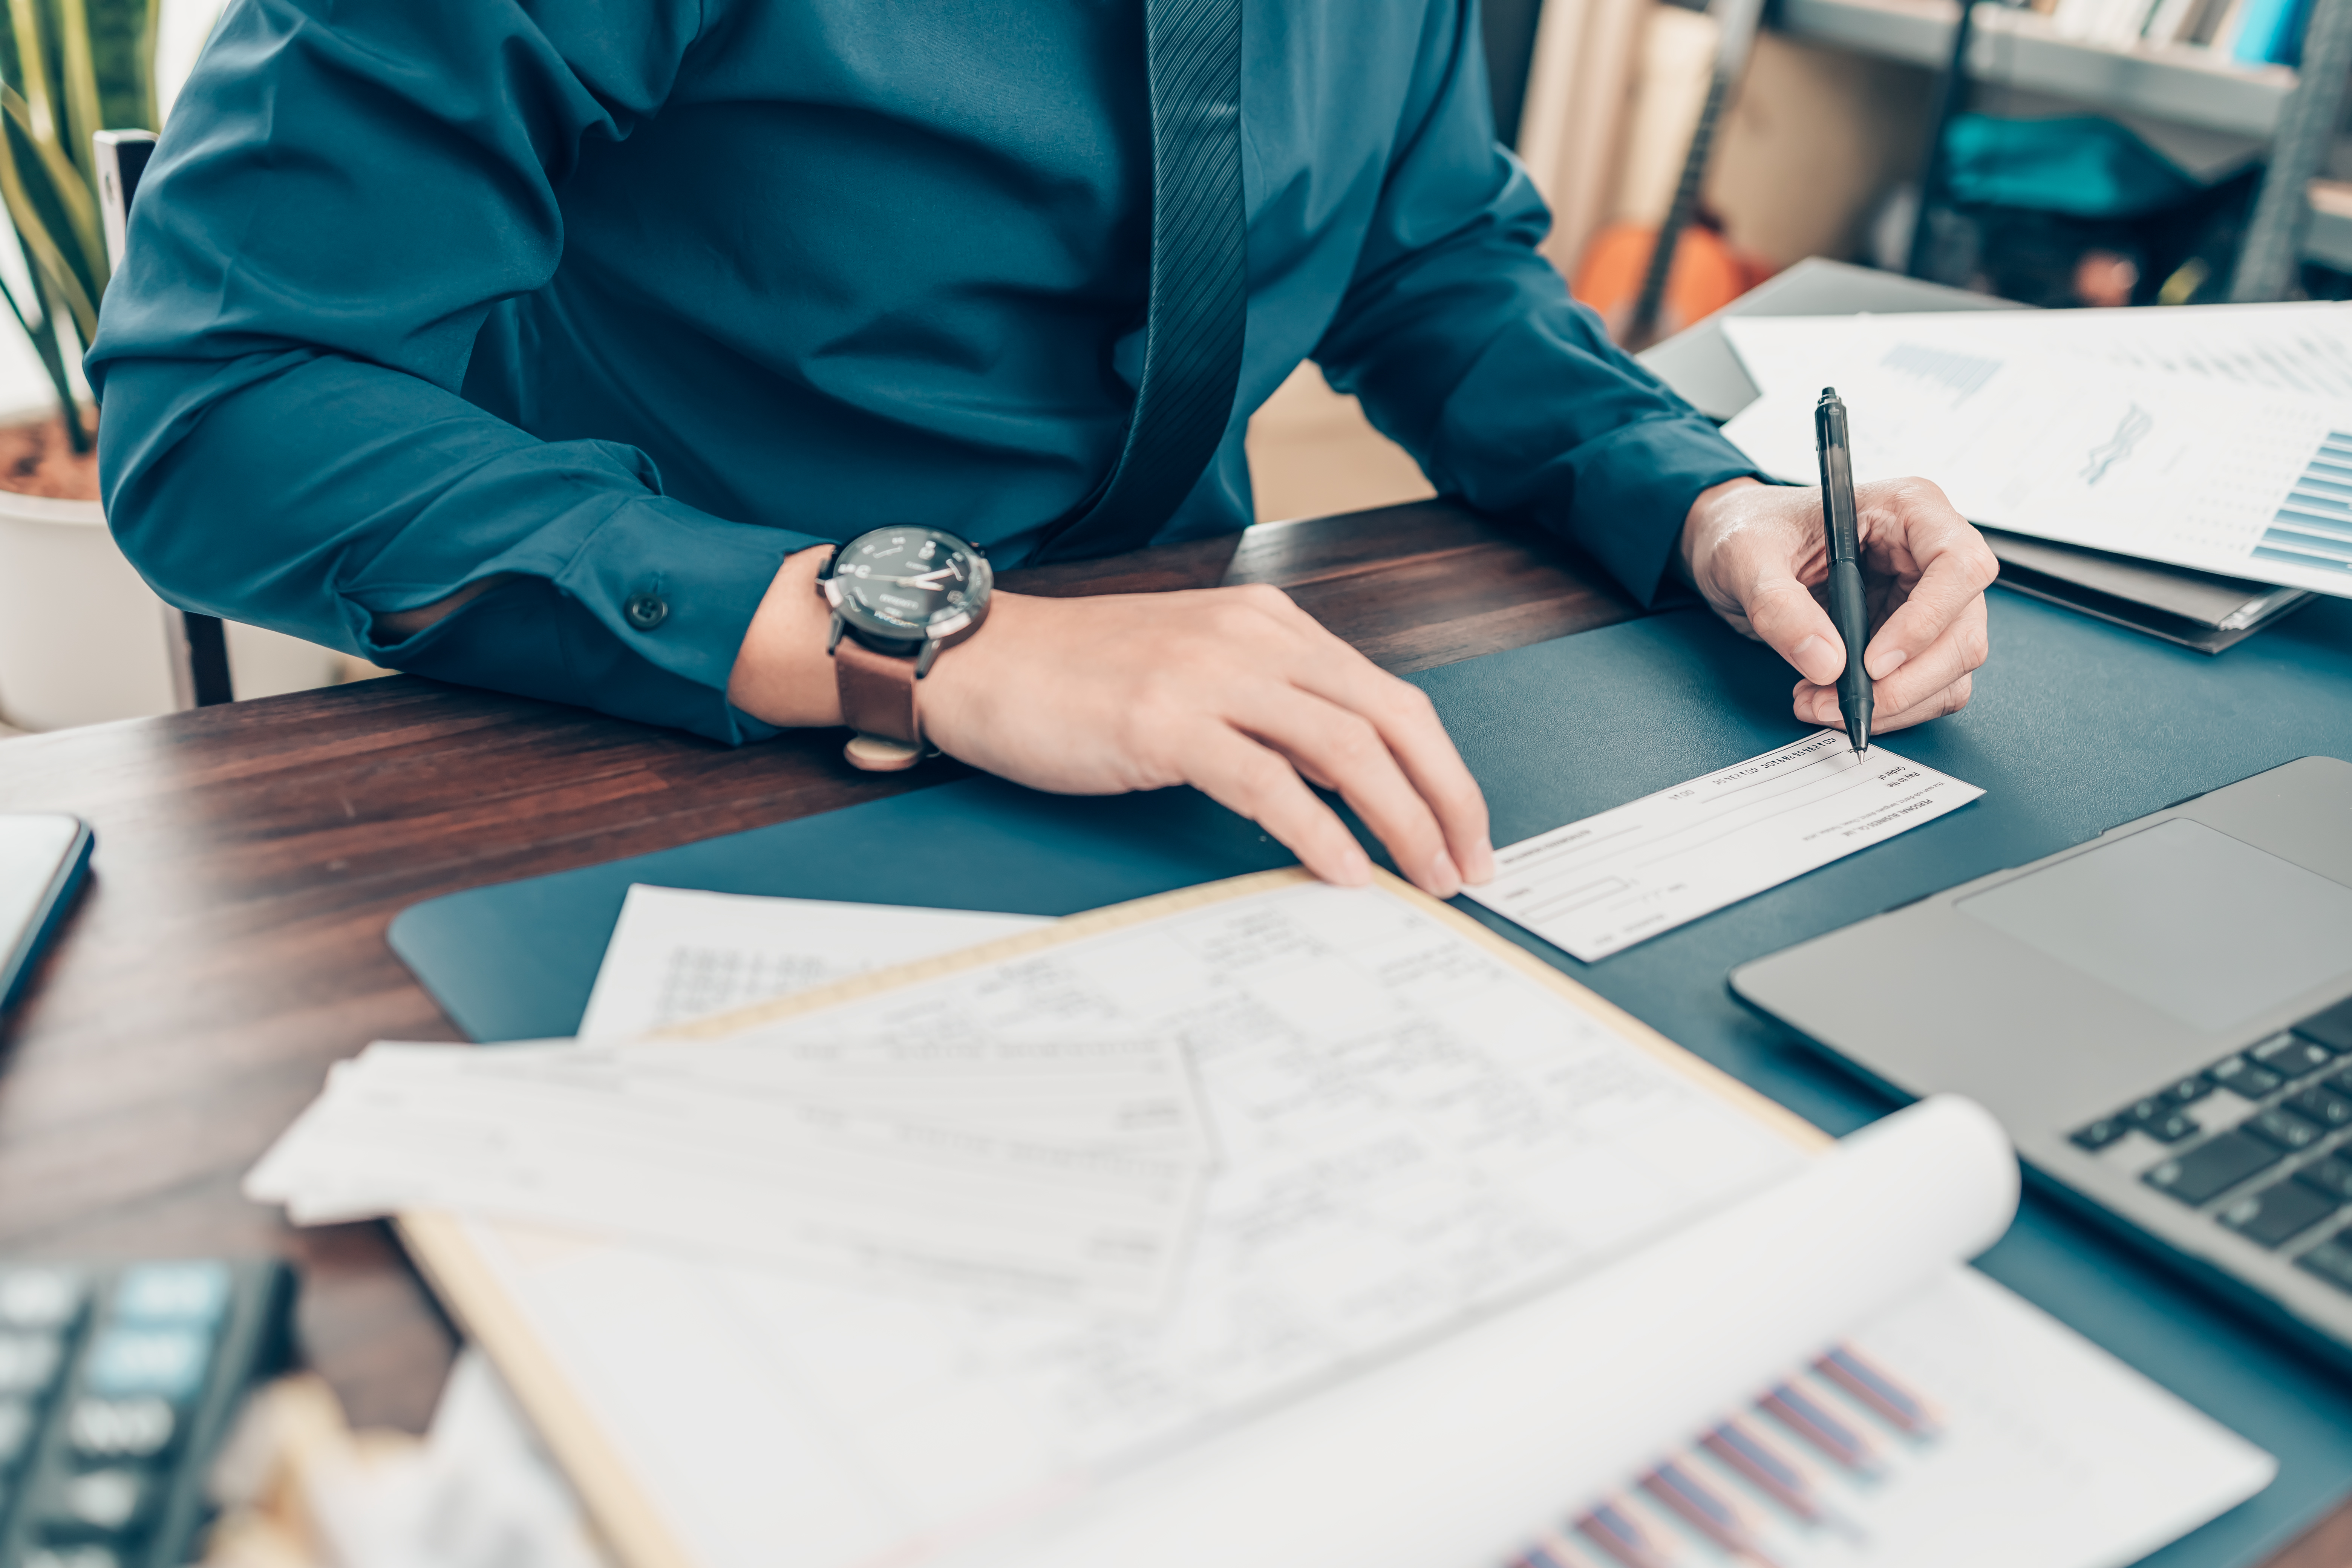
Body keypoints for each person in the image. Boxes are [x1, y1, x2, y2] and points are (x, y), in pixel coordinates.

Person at [89, 0, 1996, 904]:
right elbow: (224, 401)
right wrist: (946, 643)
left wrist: (1708, 498)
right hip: (646, 736)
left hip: (1197, 742)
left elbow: (1429, 262)